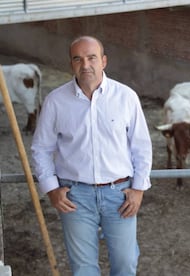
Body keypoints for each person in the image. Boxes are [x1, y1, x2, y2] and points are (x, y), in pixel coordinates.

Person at [31, 35, 153, 276]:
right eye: (78, 59)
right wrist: (51, 189)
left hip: (119, 196)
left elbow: (141, 146)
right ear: (71, 64)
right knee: (83, 269)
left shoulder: (126, 96)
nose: (85, 65)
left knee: (126, 263)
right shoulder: (56, 101)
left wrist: (138, 188)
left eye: (91, 58)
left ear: (104, 61)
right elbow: (41, 149)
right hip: (76, 197)